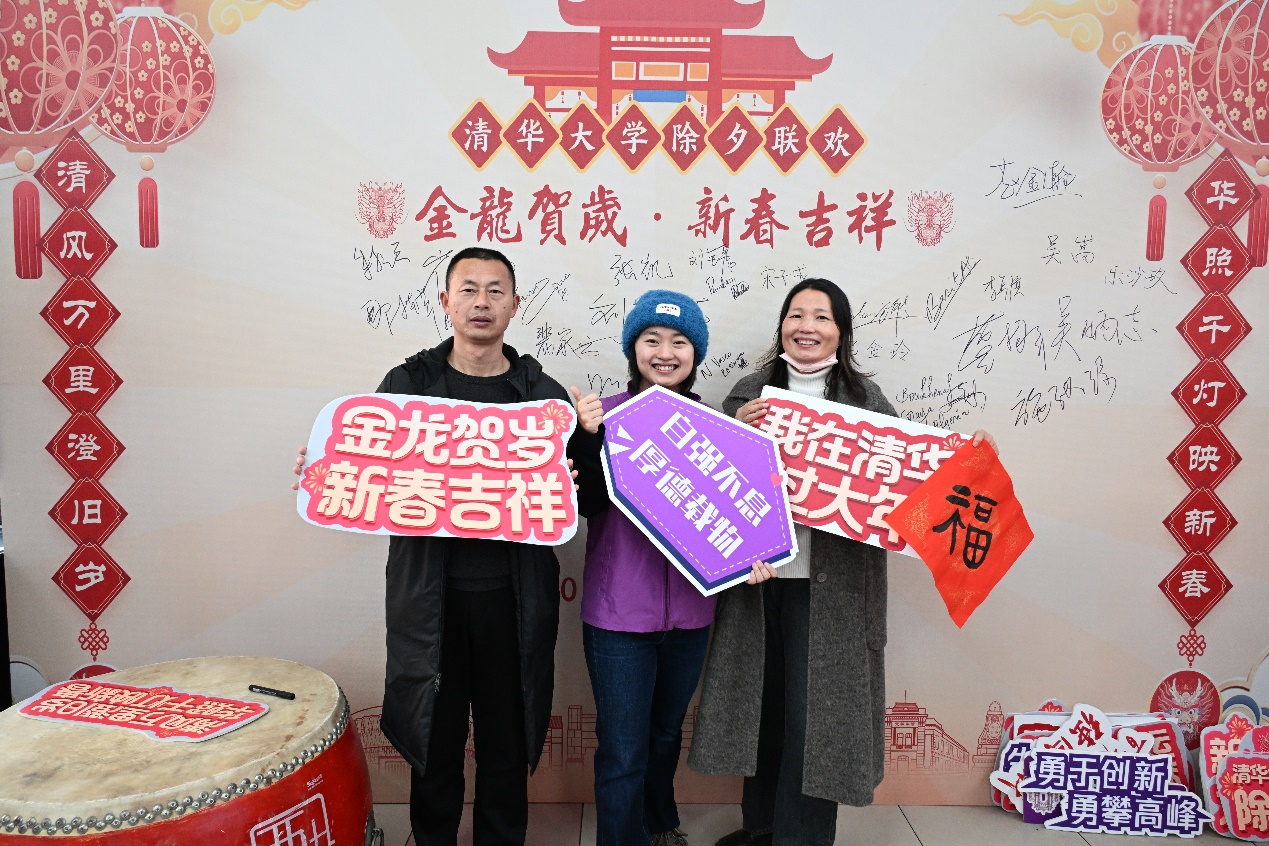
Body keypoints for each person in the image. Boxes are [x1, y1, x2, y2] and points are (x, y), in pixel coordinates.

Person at [688, 279, 996, 846]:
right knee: (764, 711)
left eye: (821, 317)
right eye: (796, 314)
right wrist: (735, 430)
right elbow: (708, 485)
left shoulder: (866, 402)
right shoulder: (749, 395)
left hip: (836, 593)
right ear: (782, 326)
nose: (806, 326)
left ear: (841, 332)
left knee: (816, 722)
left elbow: (912, 485)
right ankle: (761, 828)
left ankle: (801, 838)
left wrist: (967, 466)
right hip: (759, 586)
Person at [292, 247, 569, 846]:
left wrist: (572, 480)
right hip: (430, 599)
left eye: (495, 291)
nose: (481, 302)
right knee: (435, 743)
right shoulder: (407, 386)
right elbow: (366, 467)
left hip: (513, 600)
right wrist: (328, 471)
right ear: (445, 301)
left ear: (515, 305)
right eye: (468, 289)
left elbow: (577, 495)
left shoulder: (542, 398)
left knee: (505, 741)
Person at [567, 290, 776, 846]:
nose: (665, 352)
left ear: (695, 354)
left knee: (664, 736)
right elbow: (585, 506)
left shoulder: (715, 427)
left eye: (680, 342)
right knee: (623, 749)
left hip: (691, 615)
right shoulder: (603, 417)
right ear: (632, 349)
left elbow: (742, 514)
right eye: (651, 339)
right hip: (617, 617)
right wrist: (585, 439)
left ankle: (659, 823)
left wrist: (755, 557)